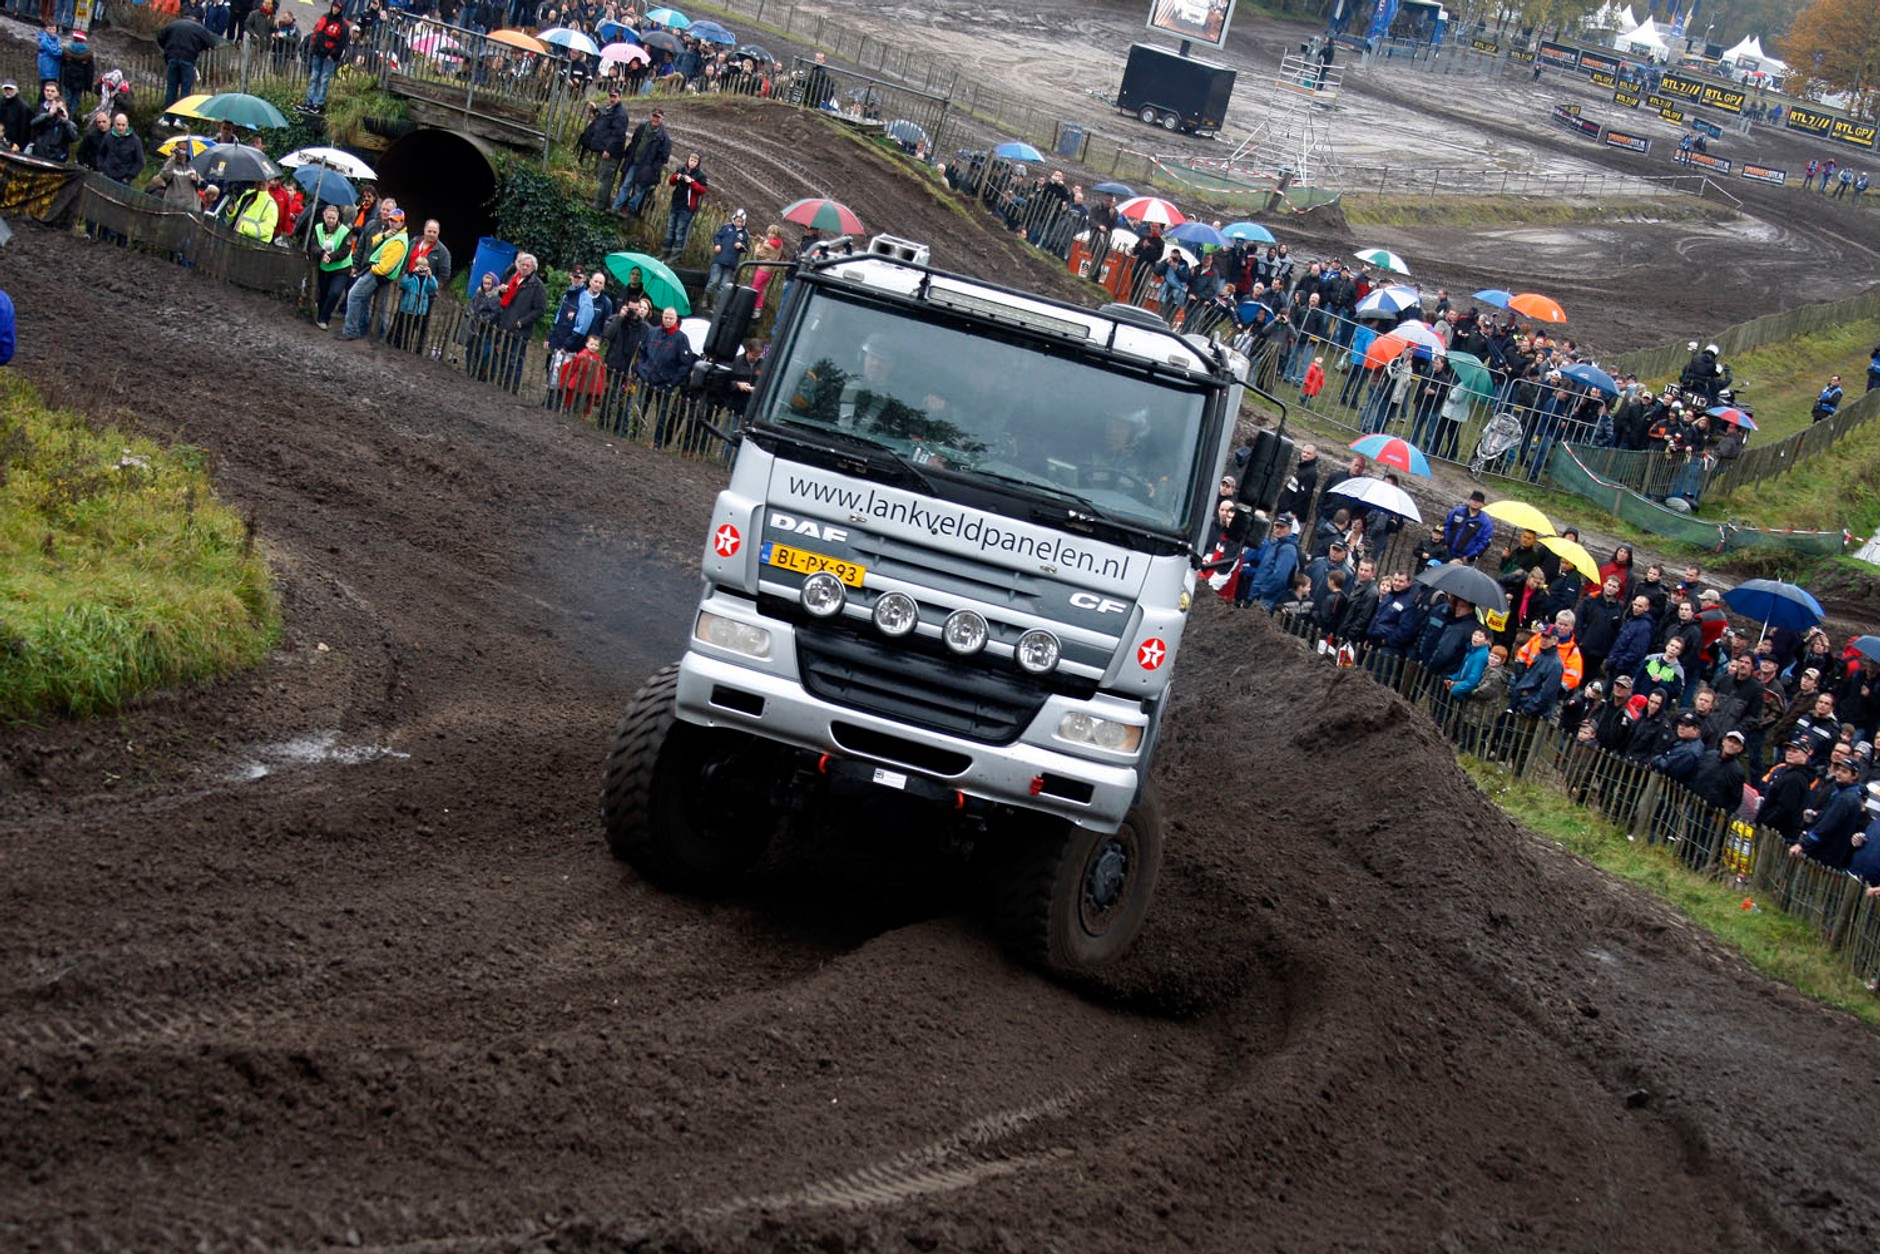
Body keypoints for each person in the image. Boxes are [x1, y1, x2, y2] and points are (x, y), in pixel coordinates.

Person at [339, 206, 408, 340]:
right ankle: (360, 329)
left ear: (402, 221)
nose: (392, 223)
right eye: (391, 220)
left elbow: (386, 267)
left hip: (376, 273)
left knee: (354, 296)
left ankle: (350, 330)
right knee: (363, 301)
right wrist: (383, 236)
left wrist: (372, 268)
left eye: (396, 221)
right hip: (375, 270)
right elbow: (373, 242)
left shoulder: (399, 241)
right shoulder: (394, 235)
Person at [635, 305, 697, 446]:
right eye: (665, 317)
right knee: (640, 408)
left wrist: (672, 382)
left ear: (676, 320)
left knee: (661, 414)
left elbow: (685, 364)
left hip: (665, 383)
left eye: (671, 318)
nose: (668, 320)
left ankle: (657, 442)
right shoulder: (653, 333)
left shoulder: (681, 339)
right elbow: (642, 352)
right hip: (648, 379)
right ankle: (635, 432)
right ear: (662, 317)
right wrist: (642, 370)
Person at [487, 252, 548, 389]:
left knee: (516, 359)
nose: (524, 267)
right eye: (523, 265)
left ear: (533, 268)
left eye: (528, 266)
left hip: (521, 329)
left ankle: (512, 387)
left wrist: (522, 322)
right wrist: (502, 291)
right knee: (503, 355)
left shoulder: (537, 286)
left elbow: (540, 309)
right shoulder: (514, 278)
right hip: (507, 322)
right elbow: (505, 298)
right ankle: (500, 382)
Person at [612, 109, 670, 216]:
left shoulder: (664, 138)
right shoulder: (642, 128)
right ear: (650, 116)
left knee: (639, 190)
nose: (655, 119)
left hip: (647, 168)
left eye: (658, 117)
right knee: (626, 185)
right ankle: (616, 207)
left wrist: (652, 169)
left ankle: (629, 210)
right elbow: (634, 142)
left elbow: (663, 157)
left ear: (662, 119)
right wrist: (628, 155)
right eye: (654, 116)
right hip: (634, 162)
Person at [308, 204, 352, 329]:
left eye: (333, 218)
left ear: (338, 217)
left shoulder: (345, 231)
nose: (331, 220)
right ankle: (319, 316)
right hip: (325, 266)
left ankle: (324, 319)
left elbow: (345, 250)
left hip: (341, 267)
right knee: (323, 293)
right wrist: (322, 254)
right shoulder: (318, 228)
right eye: (329, 217)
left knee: (335, 292)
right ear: (324, 216)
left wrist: (331, 257)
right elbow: (314, 245)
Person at [301, 0, 349, 113]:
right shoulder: (324, 18)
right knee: (313, 78)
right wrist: (314, 48)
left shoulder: (343, 24)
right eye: (334, 7)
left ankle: (318, 103)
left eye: (338, 8)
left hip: (329, 56)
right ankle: (309, 101)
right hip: (318, 52)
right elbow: (317, 33)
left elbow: (342, 42)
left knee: (324, 80)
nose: (335, 9)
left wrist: (333, 54)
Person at [663, 150, 709, 257]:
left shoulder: (700, 175)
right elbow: (671, 181)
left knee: (680, 231)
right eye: (691, 160)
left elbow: (702, 190)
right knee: (670, 229)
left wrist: (692, 182)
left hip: (687, 207)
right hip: (676, 203)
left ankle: (675, 256)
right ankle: (664, 252)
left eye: (695, 161)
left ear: (698, 163)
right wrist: (676, 177)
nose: (692, 163)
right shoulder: (681, 169)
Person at [706, 208, 749, 305]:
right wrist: (717, 244)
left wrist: (741, 246)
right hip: (719, 259)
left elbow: (746, 248)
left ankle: (716, 305)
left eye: (741, 221)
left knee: (723, 286)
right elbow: (717, 236)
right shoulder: (726, 227)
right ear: (734, 219)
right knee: (713, 281)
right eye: (738, 220)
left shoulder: (744, 234)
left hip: (731, 263)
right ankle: (706, 300)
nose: (739, 223)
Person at [1442, 490, 1494, 565]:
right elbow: (1446, 526)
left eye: (1478, 501)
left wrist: (1469, 557)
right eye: (1474, 500)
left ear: (1482, 504)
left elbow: (1484, 543)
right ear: (1469, 500)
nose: (1475, 503)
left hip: (1464, 559)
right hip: (1447, 552)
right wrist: (1445, 542)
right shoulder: (1457, 512)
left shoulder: (1485, 522)